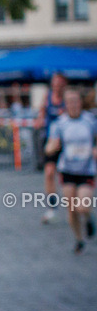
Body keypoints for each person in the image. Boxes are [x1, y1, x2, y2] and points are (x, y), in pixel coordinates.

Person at [45, 88, 97, 253]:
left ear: (80, 102)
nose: (73, 105)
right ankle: (79, 239)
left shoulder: (91, 121)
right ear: (65, 104)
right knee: (72, 209)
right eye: (70, 102)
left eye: (76, 101)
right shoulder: (59, 123)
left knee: (83, 206)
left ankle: (88, 219)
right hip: (67, 170)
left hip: (86, 169)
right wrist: (52, 147)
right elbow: (49, 147)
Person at [39, 72, 68, 223]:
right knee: (49, 173)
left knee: (65, 176)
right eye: (54, 83)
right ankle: (52, 207)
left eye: (59, 83)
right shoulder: (48, 97)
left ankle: (74, 203)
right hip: (50, 141)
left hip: (66, 142)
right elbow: (42, 112)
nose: (56, 86)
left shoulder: (68, 100)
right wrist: (40, 120)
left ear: (64, 85)